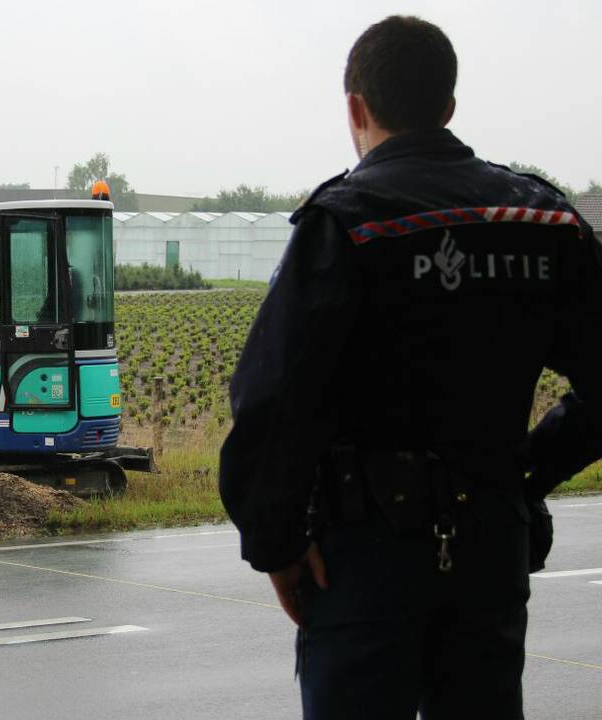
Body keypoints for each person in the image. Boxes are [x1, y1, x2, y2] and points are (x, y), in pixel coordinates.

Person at [218, 15, 602, 719]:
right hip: (491, 546)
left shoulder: (347, 221)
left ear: (356, 109)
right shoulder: (545, 222)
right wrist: (527, 473)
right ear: (449, 106)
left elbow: (272, 403)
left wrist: (277, 545)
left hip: (363, 559)